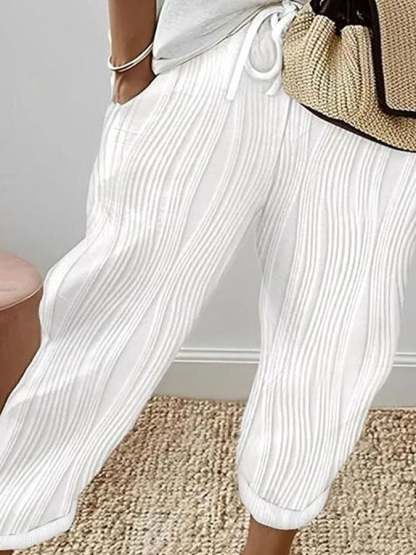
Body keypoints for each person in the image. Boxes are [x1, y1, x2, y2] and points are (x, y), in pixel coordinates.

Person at [1, 1, 415, 554]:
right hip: (218, 51)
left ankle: (267, 548)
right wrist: (131, 58)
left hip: (375, 77)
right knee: (108, 312)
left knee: (335, 337)